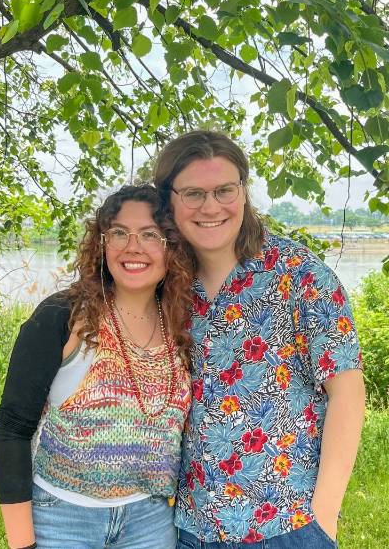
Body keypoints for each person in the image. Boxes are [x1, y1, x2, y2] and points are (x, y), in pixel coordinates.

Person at [154, 130, 365, 549]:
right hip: (194, 527)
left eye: (224, 190)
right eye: (193, 193)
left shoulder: (299, 275)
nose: (211, 206)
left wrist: (323, 516)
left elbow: (348, 391)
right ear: (169, 200)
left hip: (287, 525)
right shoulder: (166, 284)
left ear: (244, 193)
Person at [0, 185, 192, 549]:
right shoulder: (64, 316)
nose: (133, 246)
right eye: (119, 232)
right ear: (102, 243)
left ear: (172, 247)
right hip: (61, 519)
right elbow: (12, 429)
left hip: (150, 521)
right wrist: (22, 544)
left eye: (151, 234)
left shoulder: (182, 321)